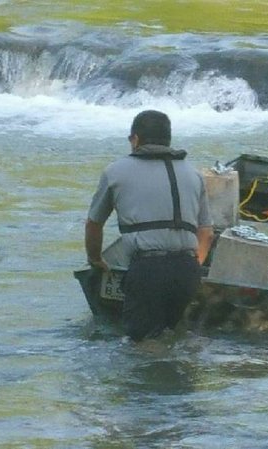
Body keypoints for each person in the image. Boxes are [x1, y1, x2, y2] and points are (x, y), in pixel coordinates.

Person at [85, 110, 214, 342]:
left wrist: (95, 260)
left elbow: (94, 224)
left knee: (142, 345)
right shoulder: (194, 174)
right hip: (187, 271)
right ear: (168, 139)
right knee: (173, 335)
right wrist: (194, 264)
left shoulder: (115, 171)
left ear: (135, 139)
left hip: (148, 270)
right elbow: (206, 232)